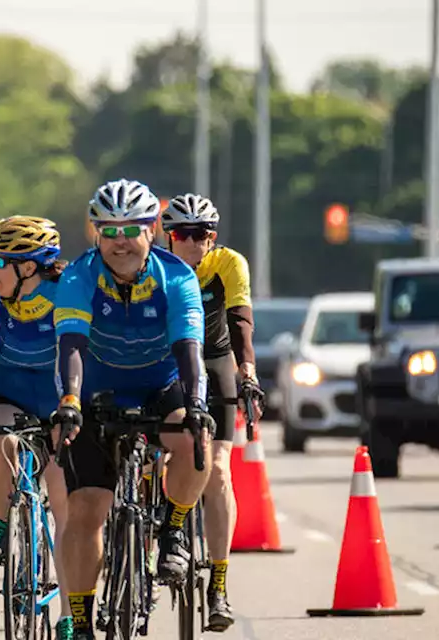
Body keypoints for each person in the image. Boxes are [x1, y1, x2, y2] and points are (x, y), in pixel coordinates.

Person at [53, 179, 213, 640]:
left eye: (130, 229)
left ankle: (173, 530)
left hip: (159, 384)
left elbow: (189, 349)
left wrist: (198, 404)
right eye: (109, 230)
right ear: (95, 233)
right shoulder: (78, 277)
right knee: (85, 511)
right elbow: (71, 345)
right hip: (95, 389)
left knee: (193, 435)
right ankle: (81, 622)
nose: (119, 240)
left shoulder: (176, 277)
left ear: (152, 229)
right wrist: (69, 403)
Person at [0, 216, 73, 632]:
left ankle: (69, 614)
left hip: (60, 397)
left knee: (65, 508)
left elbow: (75, 354)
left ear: (27, 267)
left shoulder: (65, 294)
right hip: (8, 395)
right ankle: (3, 516)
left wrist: (70, 406)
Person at [161, 193, 261, 632]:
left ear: (212, 238)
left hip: (215, 359)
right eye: (182, 234)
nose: (190, 243)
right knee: (148, 454)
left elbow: (240, 319)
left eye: (199, 235)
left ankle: (218, 584)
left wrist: (248, 372)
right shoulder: (154, 268)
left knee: (219, 470)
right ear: (168, 237)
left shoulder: (227, 264)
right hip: (162, 364)